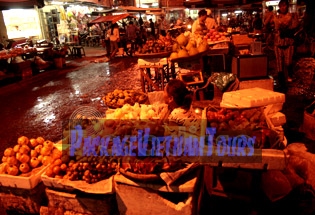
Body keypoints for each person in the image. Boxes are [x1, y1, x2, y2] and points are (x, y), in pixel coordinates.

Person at [272, 0, 299, 91]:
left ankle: (290, 77)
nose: (283, 8)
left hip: (289, 42)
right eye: (281, 6)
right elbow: (275, 25)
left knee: (288, 62)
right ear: (279, 7)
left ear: (287, 6)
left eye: (285, 6)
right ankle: (282, 85)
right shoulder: (276, 16)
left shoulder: (292, 16)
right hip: (278, 42)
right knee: (279, 65)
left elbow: (295, 26)